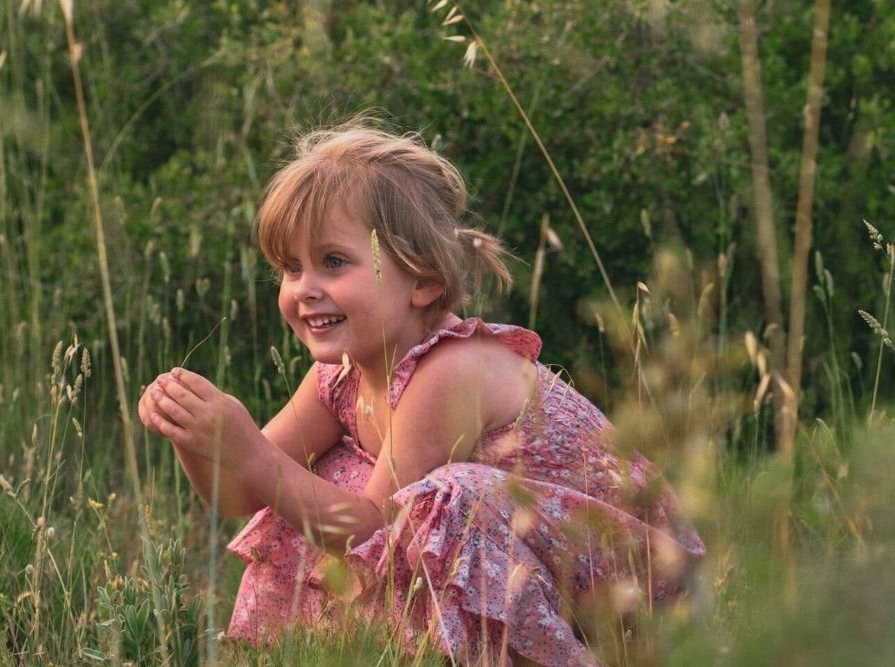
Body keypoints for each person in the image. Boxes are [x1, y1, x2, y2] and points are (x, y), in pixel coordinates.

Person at [137, 122, 705, 666]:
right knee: (307, 491)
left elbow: (368, 528)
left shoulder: (450, 371)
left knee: (451, 498)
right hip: (543, 565)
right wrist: (195, 436)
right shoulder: (340, 375)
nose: (305, 289)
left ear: (425, 280)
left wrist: (247, 446)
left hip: (637, 582)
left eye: (334, 262)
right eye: (289, 268)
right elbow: (241, 492)